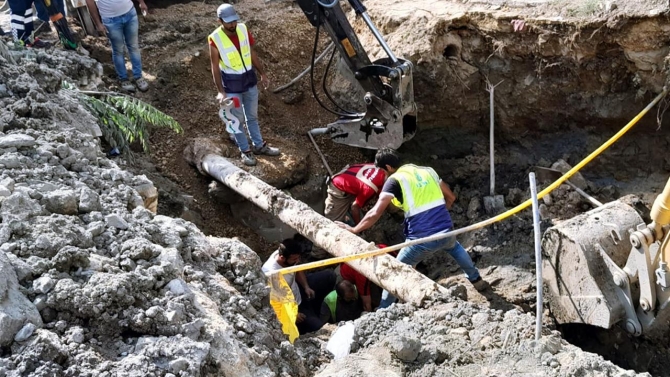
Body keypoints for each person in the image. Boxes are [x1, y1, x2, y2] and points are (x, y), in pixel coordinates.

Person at [338, 148, 488, 309]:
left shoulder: (394, 180)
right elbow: (450, 197)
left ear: (388, 167)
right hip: (446, 229)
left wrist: (354, 230)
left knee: (396, 270)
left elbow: (375, 212)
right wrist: (439, 216)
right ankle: (476, 279)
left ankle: (383, 309)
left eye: (382, 171)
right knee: (455, 248)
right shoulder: (427, 171)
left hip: (421, 239)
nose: (382, 175)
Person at [208, 3, 279, 167]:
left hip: (249, 79)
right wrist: (220, 91)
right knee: (236, 120)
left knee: (252, 116)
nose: (232, 25)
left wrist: (262, 73)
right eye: (228, 22)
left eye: (234, 21)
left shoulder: (243, 29)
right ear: (219, 21)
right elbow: (214, 67)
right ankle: (245, 151)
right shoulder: (215, 39)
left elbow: (251, 52)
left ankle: (259, 145)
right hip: (232, 85)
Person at [262, 238, 335, 334]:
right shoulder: (272, 274)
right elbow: (276, 303)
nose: (297, 260)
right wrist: (293, 315)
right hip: (293, 305)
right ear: (282, 258)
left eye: (298, 258)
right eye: (294, 259)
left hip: (298, 291)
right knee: (320, 329)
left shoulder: (287, 255)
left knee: (330, 276)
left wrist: (306, 287)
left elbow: (297, 267)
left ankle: (317, 307)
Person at [86, 0, 149, 92]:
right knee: (118, 50)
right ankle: (123, 79)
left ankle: (138, 77)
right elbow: (90, 2)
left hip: (130, 13)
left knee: (133, 46)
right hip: (110, 20)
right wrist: (98, 23)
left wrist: (141, 2)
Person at [339, 243, 389, 312]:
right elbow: (367, 304)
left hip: (352, 266)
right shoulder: (363, 275)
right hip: (344, 273)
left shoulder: (384, 249)